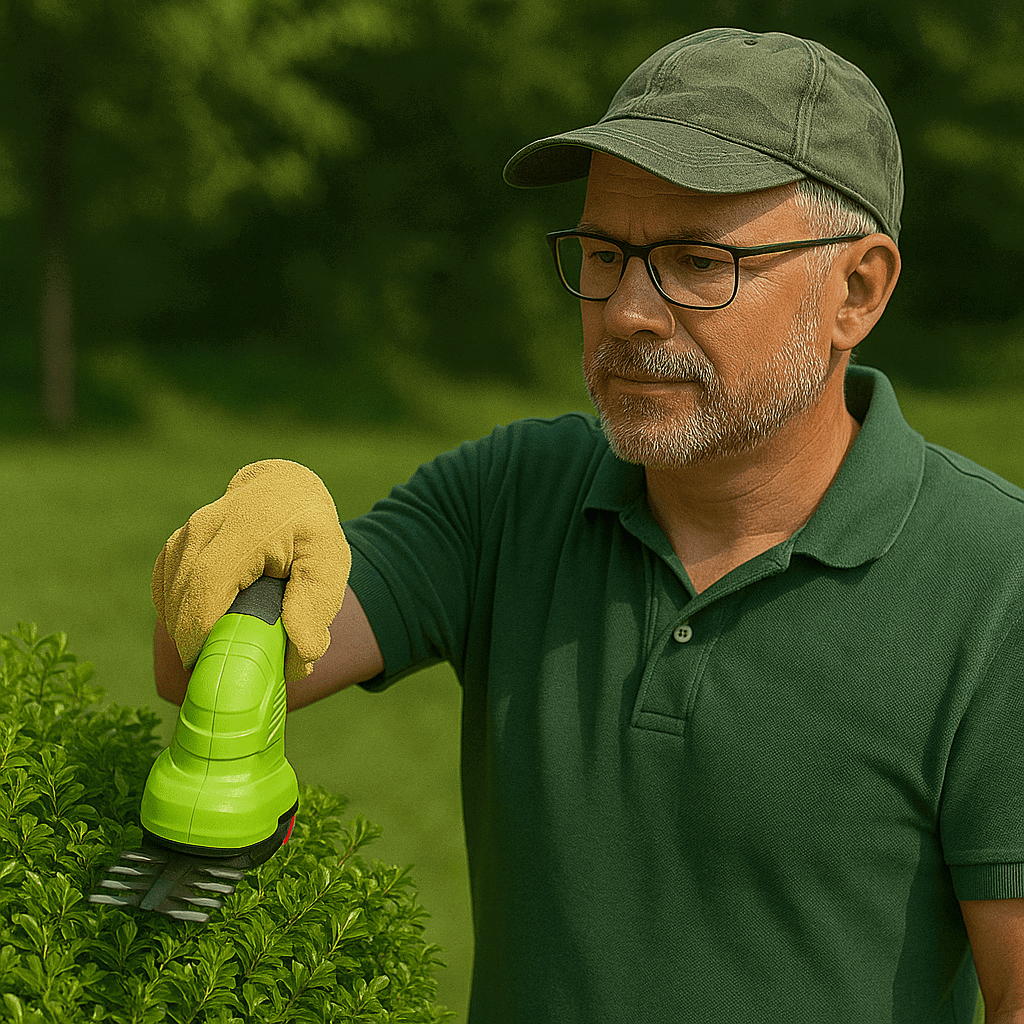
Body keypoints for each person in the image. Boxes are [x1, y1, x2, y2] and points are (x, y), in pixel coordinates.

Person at [152, 28, 1024, 1024]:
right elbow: (194, 669)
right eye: (606, 254)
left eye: (697, 261)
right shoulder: (509, 498)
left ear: (856, 291)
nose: (627, 312)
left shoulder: (996, 581)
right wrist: (255, 533)